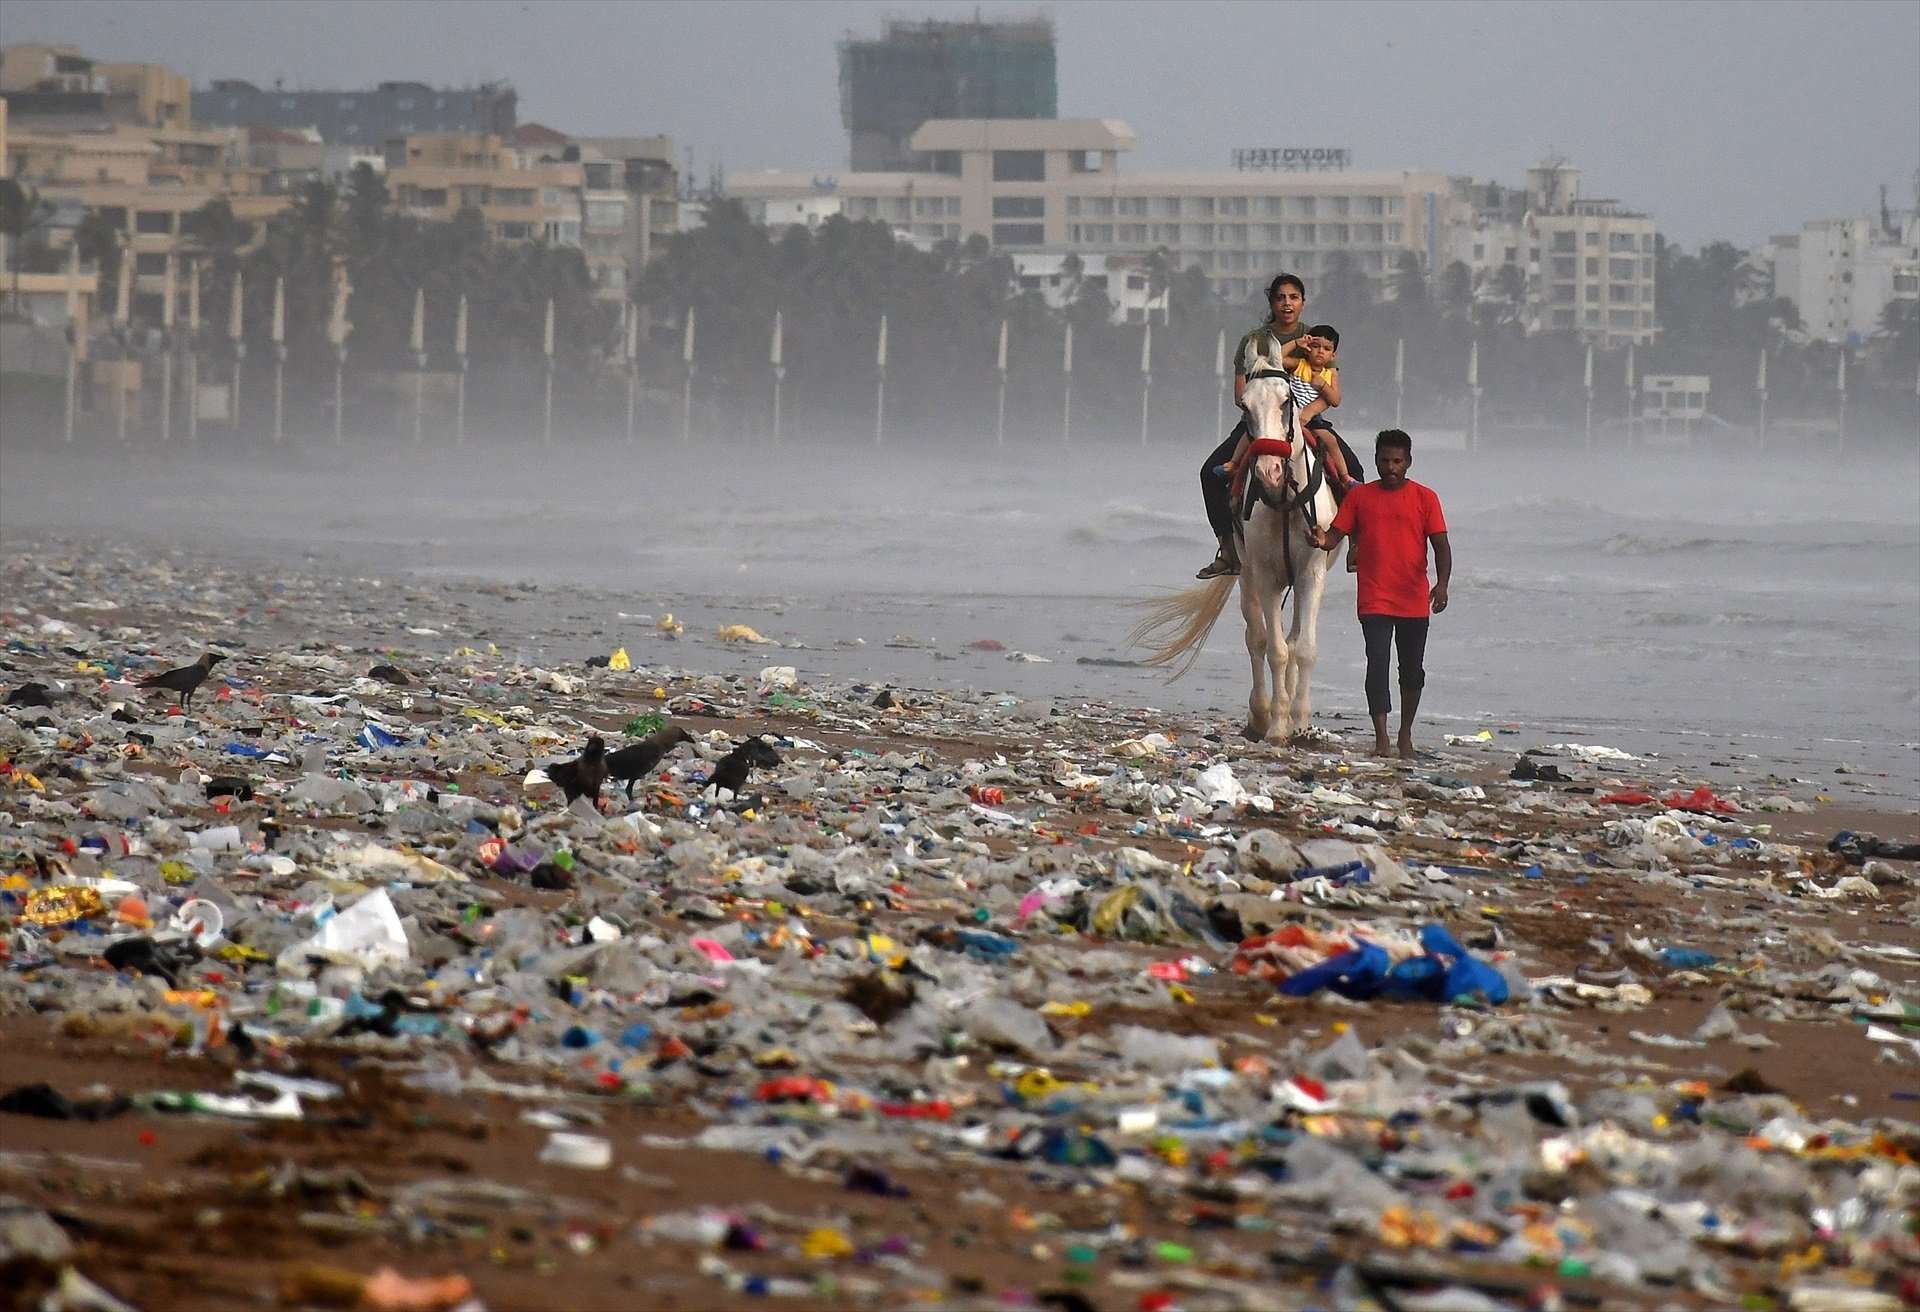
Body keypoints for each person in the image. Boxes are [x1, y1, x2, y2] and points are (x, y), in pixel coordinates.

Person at [1313, 429, 1451, 759]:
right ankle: (1381, 739)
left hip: (1413, 598)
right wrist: (1319, 540)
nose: (1391, 468)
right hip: (1374, 597)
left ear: (1408, 462)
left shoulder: (1425, 497)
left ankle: (1405, 735)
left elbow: (1442, 546)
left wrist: (1442, 585)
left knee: (1412, 671)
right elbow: (1334, 537)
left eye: (1397, 461)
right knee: (1377, 665)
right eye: (1385, 461)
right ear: (1375, 461)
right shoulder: (1360, 497)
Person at [1197, 274, 1307, 580]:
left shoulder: (1315, 338)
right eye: (1280, 297)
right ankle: (1228, 550)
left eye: (1293, 297)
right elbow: (1240, 394)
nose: (1287, 303)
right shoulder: (1252, 342)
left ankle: (1354, 543)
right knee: (1209, 474)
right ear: (1271, 303)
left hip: (1305, 419)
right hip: (1257, 422)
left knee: (1353, 470)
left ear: (1303, 302)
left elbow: (1326, 383)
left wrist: (1305, 413)